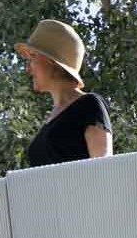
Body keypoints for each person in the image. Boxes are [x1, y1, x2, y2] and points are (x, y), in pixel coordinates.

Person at [16, 20, 113, 167]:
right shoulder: (51, 119)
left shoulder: (89, 105)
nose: (27, 68)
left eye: (32, 57)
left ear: (52, 61)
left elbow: (104, 169)